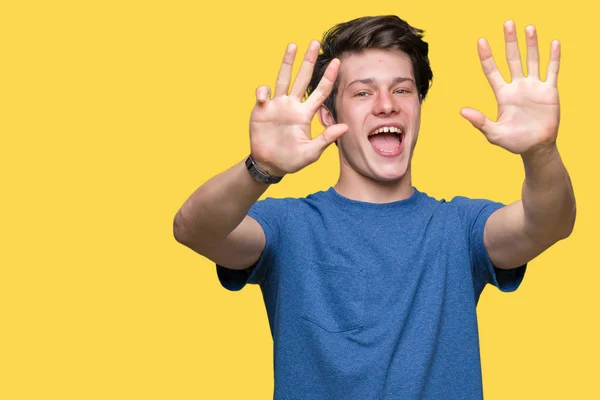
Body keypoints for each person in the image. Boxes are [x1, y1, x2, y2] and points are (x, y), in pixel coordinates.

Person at [173, 15, 575, 400]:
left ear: (418, 105)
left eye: (402, 90)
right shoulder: (287, 226)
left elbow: (547, 224)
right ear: (329, 115)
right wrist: (260, 168)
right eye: (363, 92)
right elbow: (194, 229)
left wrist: (541, 151)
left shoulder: (459, 228)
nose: (386, 105)